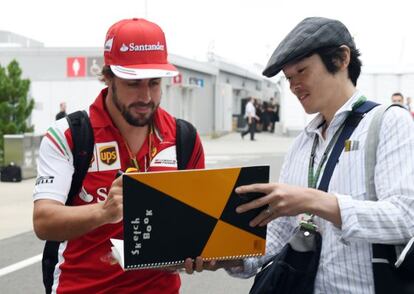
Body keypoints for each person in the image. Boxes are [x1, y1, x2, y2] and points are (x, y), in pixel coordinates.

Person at [187, 17, 414, 293]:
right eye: (289, 77)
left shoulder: (389, 122)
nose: (294, 85)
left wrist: (315, 201)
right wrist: (228, 258)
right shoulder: (301, 144)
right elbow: (280, 235)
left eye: (302, 71)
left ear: (342, 59)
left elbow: (406, 217)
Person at [33, 18, 205, 294]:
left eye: (154, 83)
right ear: (108, 77)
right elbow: (43, 221)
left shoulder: (185, 138)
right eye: (133, 83)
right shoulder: (69, 135)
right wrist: (103, 212)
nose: (146, 96)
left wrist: (197, 251)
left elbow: (197, 225)